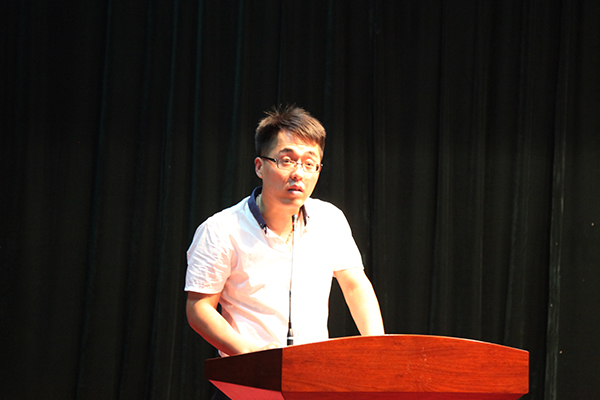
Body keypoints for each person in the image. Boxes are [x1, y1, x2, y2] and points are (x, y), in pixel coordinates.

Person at [185, 106, 384, 361]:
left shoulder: (330, 219)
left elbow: (355, 285)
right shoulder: (221, 229)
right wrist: (250, 352)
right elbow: (199, 307)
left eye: (309, 163)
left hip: (313, 371)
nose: (298, 173)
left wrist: (380, 348)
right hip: (247, 371)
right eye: (286, 160)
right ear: (260, 167)